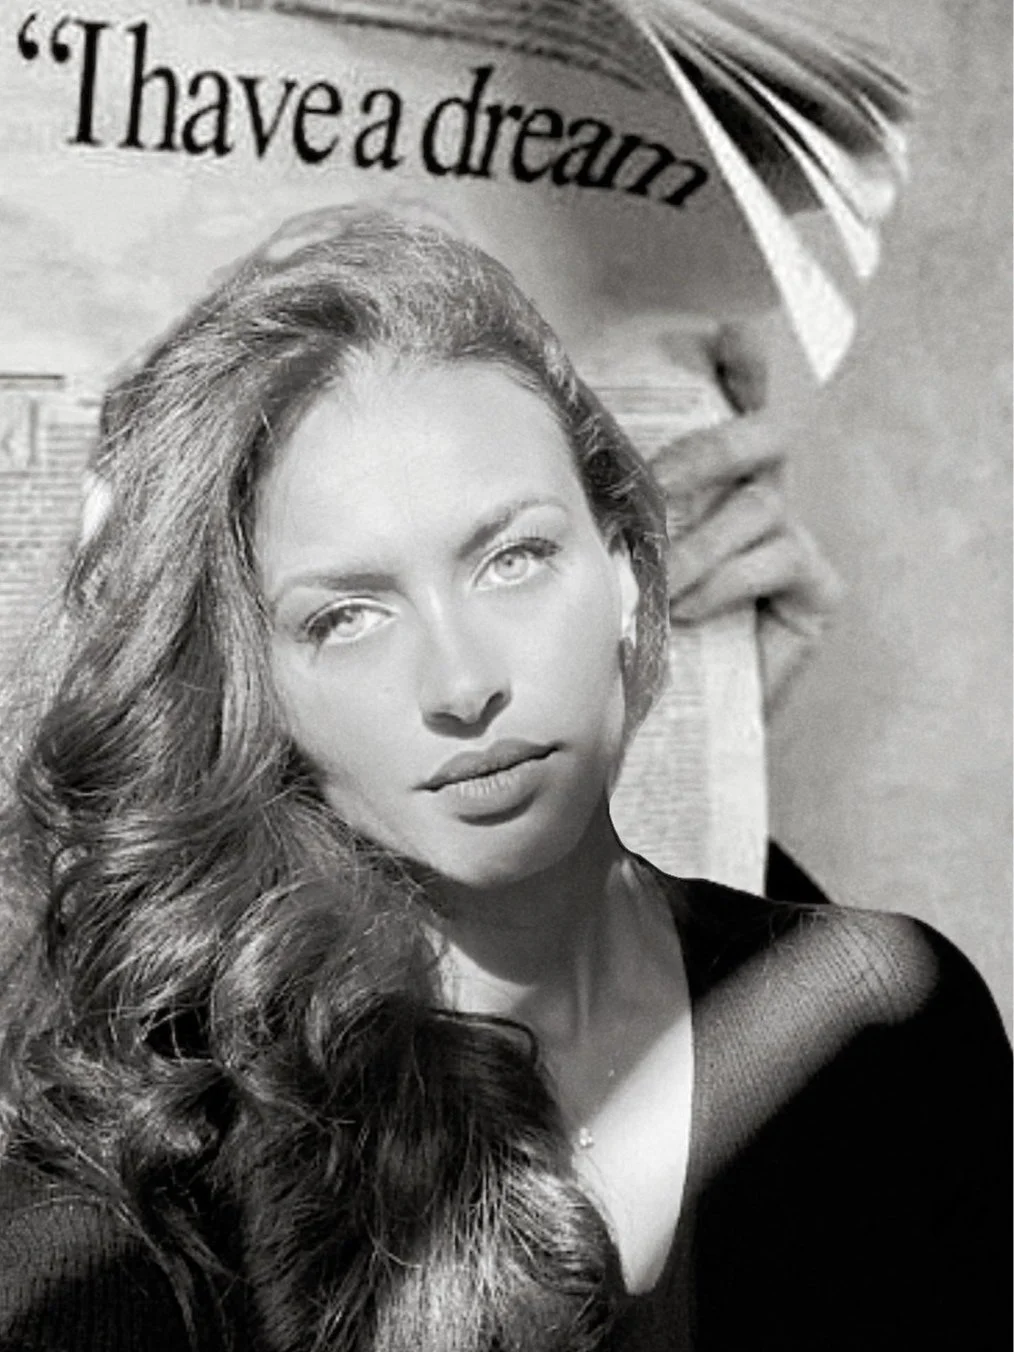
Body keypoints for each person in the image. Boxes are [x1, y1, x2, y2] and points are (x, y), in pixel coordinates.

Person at [0, 210, 1007, 1352]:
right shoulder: (132, 1192)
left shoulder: (886, 1028)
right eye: (346, 617)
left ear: (626, 571)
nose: (464, 681)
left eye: (514, 559)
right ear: (256, 690)